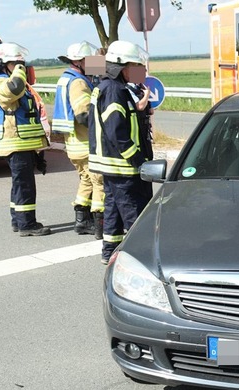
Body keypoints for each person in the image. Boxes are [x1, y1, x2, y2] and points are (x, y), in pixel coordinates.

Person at [89, 40, 153, 264]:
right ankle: (141, 255)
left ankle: (109, 251)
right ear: (121, 66)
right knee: (131, 210)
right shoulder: (114, 90)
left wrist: (139, 110)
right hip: (121, 164)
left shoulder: (113, 87)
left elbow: (121, 120)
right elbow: (117, 132)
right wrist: (137, 159)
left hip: (113, 163)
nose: (136, 71)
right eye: (134, 66)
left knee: (114, 209)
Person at [0, 42, 51, 236]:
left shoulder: (11, 78)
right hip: (15, 141)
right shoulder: (0, 81)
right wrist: (19, 72)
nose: (20, 66)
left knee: (19, 183)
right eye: (16, 63)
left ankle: (18, 220)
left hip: (23, 141)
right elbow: (13, 90)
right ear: (4, 63)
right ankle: (27, 224)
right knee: (24, 185)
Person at [53, 41, 105, 239]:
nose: (94, 63)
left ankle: (81, 222)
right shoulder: (78, 82)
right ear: (79, 61)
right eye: (90, 60)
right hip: (84, 143)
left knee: (86, 181)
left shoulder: (68, 77)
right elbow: (83, 115)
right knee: (99, 181)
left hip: (74, 143)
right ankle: (100, 225)